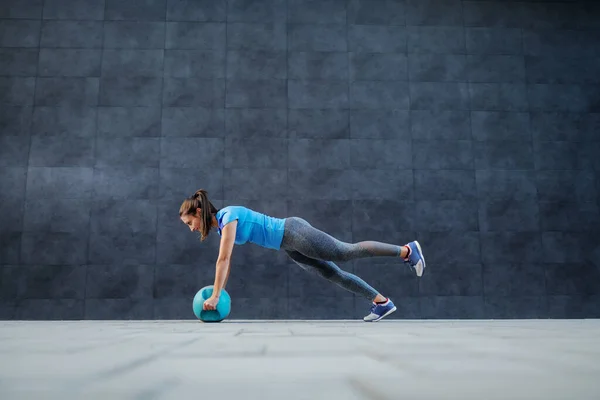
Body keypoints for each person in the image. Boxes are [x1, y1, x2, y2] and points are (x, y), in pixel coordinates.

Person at [179, 189, 426, 322]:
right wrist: (217, 292)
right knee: (333, 274)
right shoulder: (223, 226)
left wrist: (215, 295)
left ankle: (406, 250)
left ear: (199, 211)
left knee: (344, 252)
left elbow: (224, 259)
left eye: (190, 222)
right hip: (288, 245)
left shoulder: (228, 216)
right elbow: (226, 262)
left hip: (292, 232)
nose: (191, 228)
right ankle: (382, 302)